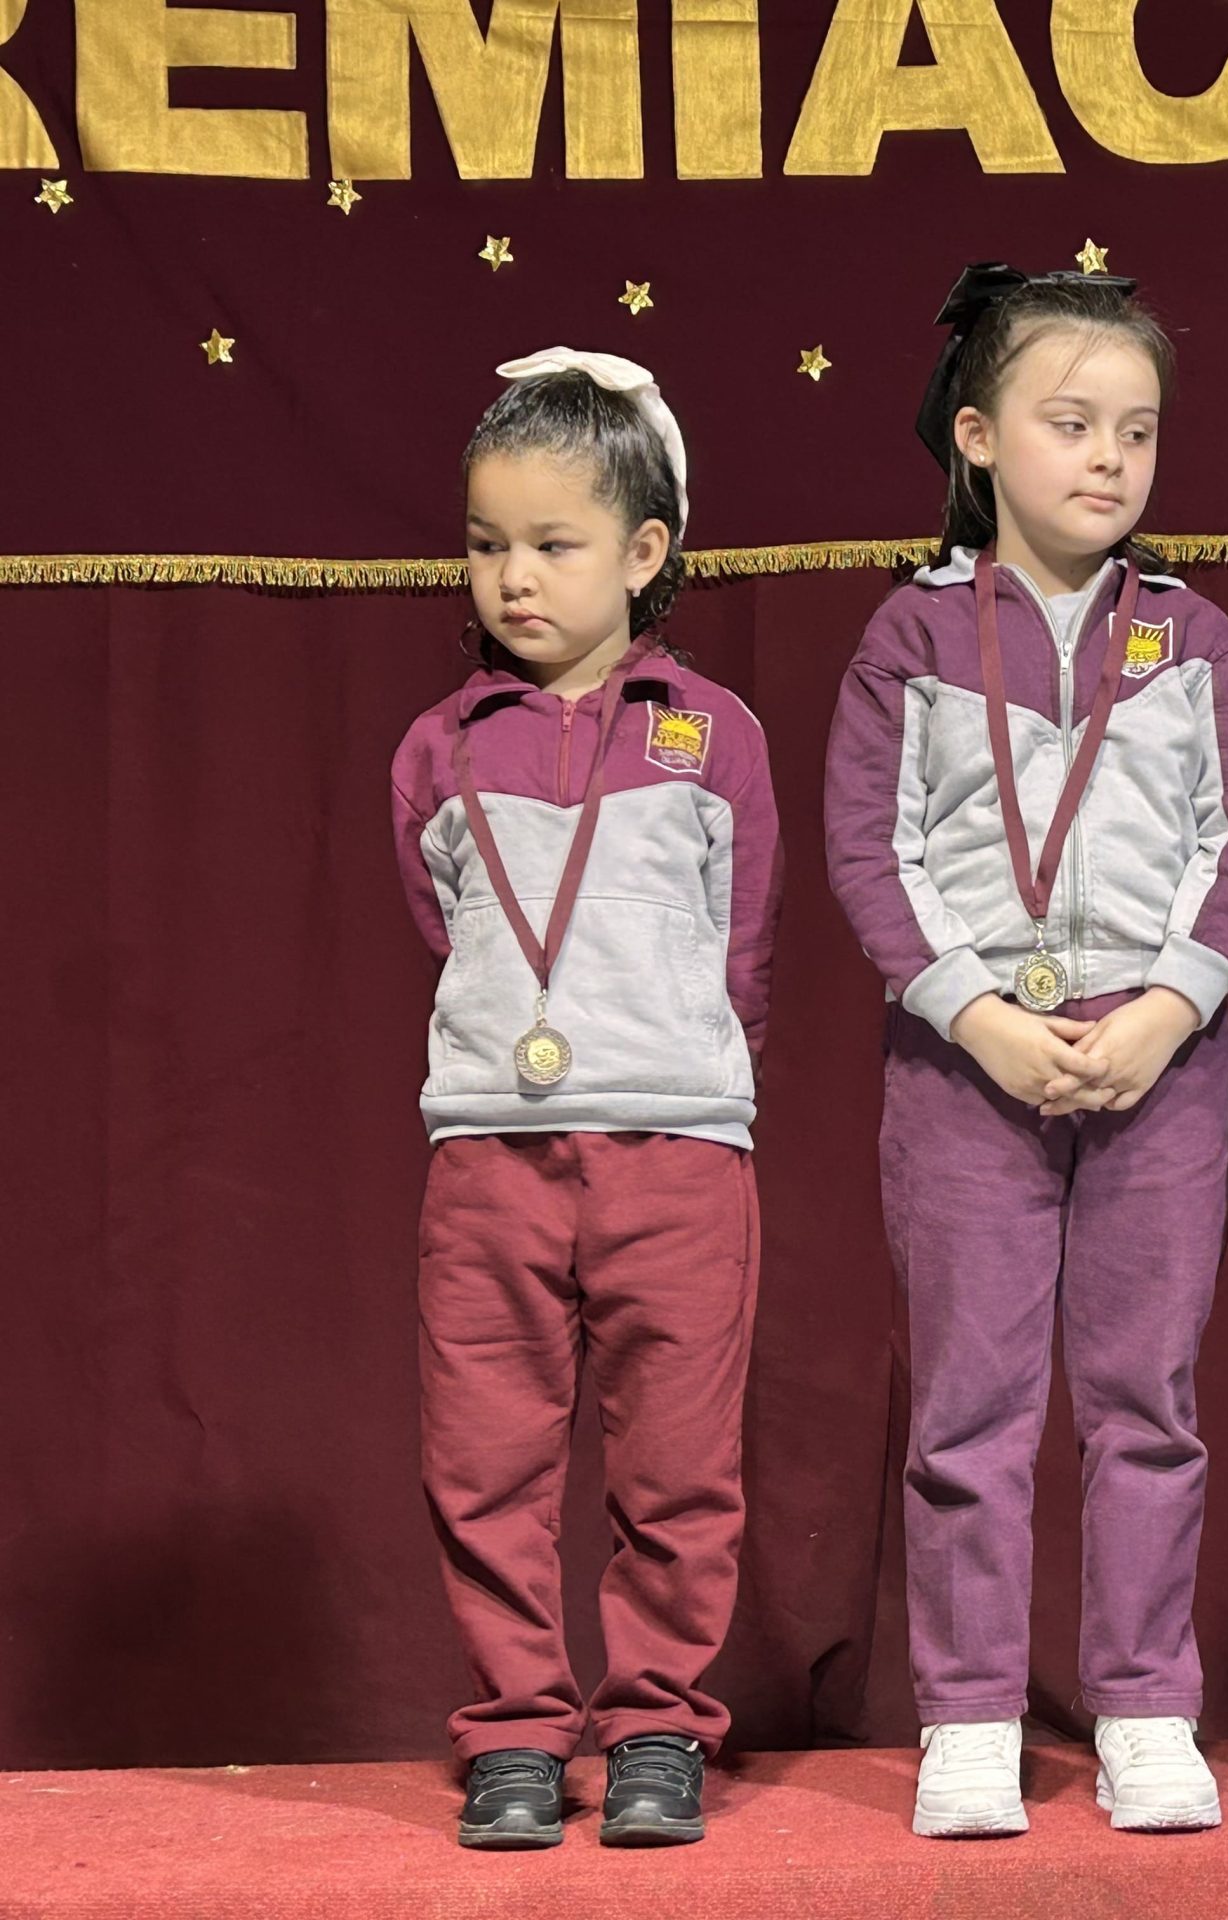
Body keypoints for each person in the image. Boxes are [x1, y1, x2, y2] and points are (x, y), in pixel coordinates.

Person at [824, 265, 1228, 1837]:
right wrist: (977, 1016)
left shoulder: (1198, 639)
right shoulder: (909, 635)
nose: (1108, 457)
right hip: (968, 1071)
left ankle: (1146, 1704)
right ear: (977, 437)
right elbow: (870, 850)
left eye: (1137, 431)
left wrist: (1167, 1011)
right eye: (1071, 423)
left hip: (1161, 1064)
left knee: (1147, 1399)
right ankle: (969, 1714)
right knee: (970, 1406)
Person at [389, 349, 779, 1849]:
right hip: (491, 1154)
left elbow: (746, 945)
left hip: (676, 1152)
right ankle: (514, 1734)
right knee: (483, 1460)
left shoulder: (712, 733)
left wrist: (688, 1072)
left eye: (554, 544)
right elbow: (443, 934)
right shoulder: (439, 748)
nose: (515, 577)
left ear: (644, 550)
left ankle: (660, 1723)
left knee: (678, 1466)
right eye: (488, 543)